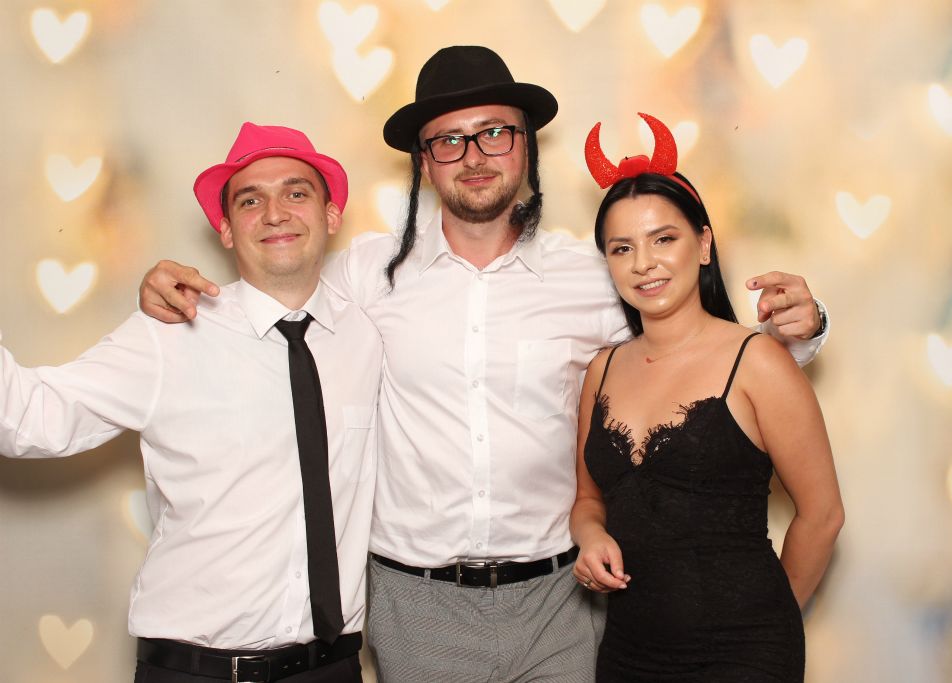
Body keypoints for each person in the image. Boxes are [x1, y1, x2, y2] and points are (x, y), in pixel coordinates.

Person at [137, 47, 830, 682]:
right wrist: (184, 295)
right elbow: (276, 302)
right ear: (424, 161)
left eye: (495, 132)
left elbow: (696, 351)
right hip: (418, 603)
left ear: (526, 145)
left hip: (560, 600)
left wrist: (803, 331)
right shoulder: (367, 273)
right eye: (449, 140)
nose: (473, 156)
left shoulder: (593, 272)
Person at [0, 123, 382, 682]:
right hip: (195, 671)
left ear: (331, 215)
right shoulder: (170, 333)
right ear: (225, 229)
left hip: (329, 669)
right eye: (250, 201)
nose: (275, 213)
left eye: (296, 193)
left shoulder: (370, 331)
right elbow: (29, 420)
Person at [570, 114, 844, 682]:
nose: (643, 263)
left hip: (743, 655)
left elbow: (823, 516)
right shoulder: (602, 369)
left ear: (703, 244)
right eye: (622, 248)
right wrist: (591, 535)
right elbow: (588, 499)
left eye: (663, 239)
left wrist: (769, 627)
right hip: (628, 654)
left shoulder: (757, 361)